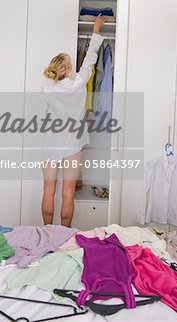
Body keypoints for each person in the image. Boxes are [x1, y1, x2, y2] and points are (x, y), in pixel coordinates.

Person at [40, 14, 106, 227]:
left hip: (50, 143)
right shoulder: (79, 81)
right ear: (68, 69)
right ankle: (64, 234)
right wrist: (96, 29)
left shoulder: (47, 88)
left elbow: (41, 119)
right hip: (72, 145)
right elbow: (91, 56)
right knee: (68, 194)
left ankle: (48, 232)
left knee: (48, 191)